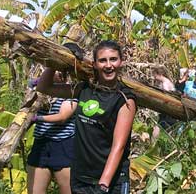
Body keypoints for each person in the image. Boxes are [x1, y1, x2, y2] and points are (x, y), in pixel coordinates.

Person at [37, 40, 137, 194]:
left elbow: (119, 147)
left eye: (113, 59)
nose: (108, 65)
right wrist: (54, 60)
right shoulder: (84, 89)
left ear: (121, 62)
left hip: (111, 182)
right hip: (80, 178)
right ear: (95, 64)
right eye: (102, 60)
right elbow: (44, 87)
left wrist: (103, 185)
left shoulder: (125, 99)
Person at [27, 71, 78, 194]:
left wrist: (37, 118)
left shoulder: (73, 90)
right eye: (56, 71)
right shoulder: (40, 90)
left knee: (68, 190)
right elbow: (30, 84)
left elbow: (62, 117)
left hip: (63, 144)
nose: (59, 74)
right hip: (41, 143)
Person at [151, 66, 178, 138]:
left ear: (160, 75)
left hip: (168, 110)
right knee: (167, 128)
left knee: (160, 127)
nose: (154, 77)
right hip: (169, 110)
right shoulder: (166, 82)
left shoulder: (165, 84)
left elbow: (166, 97)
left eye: (155, 75)